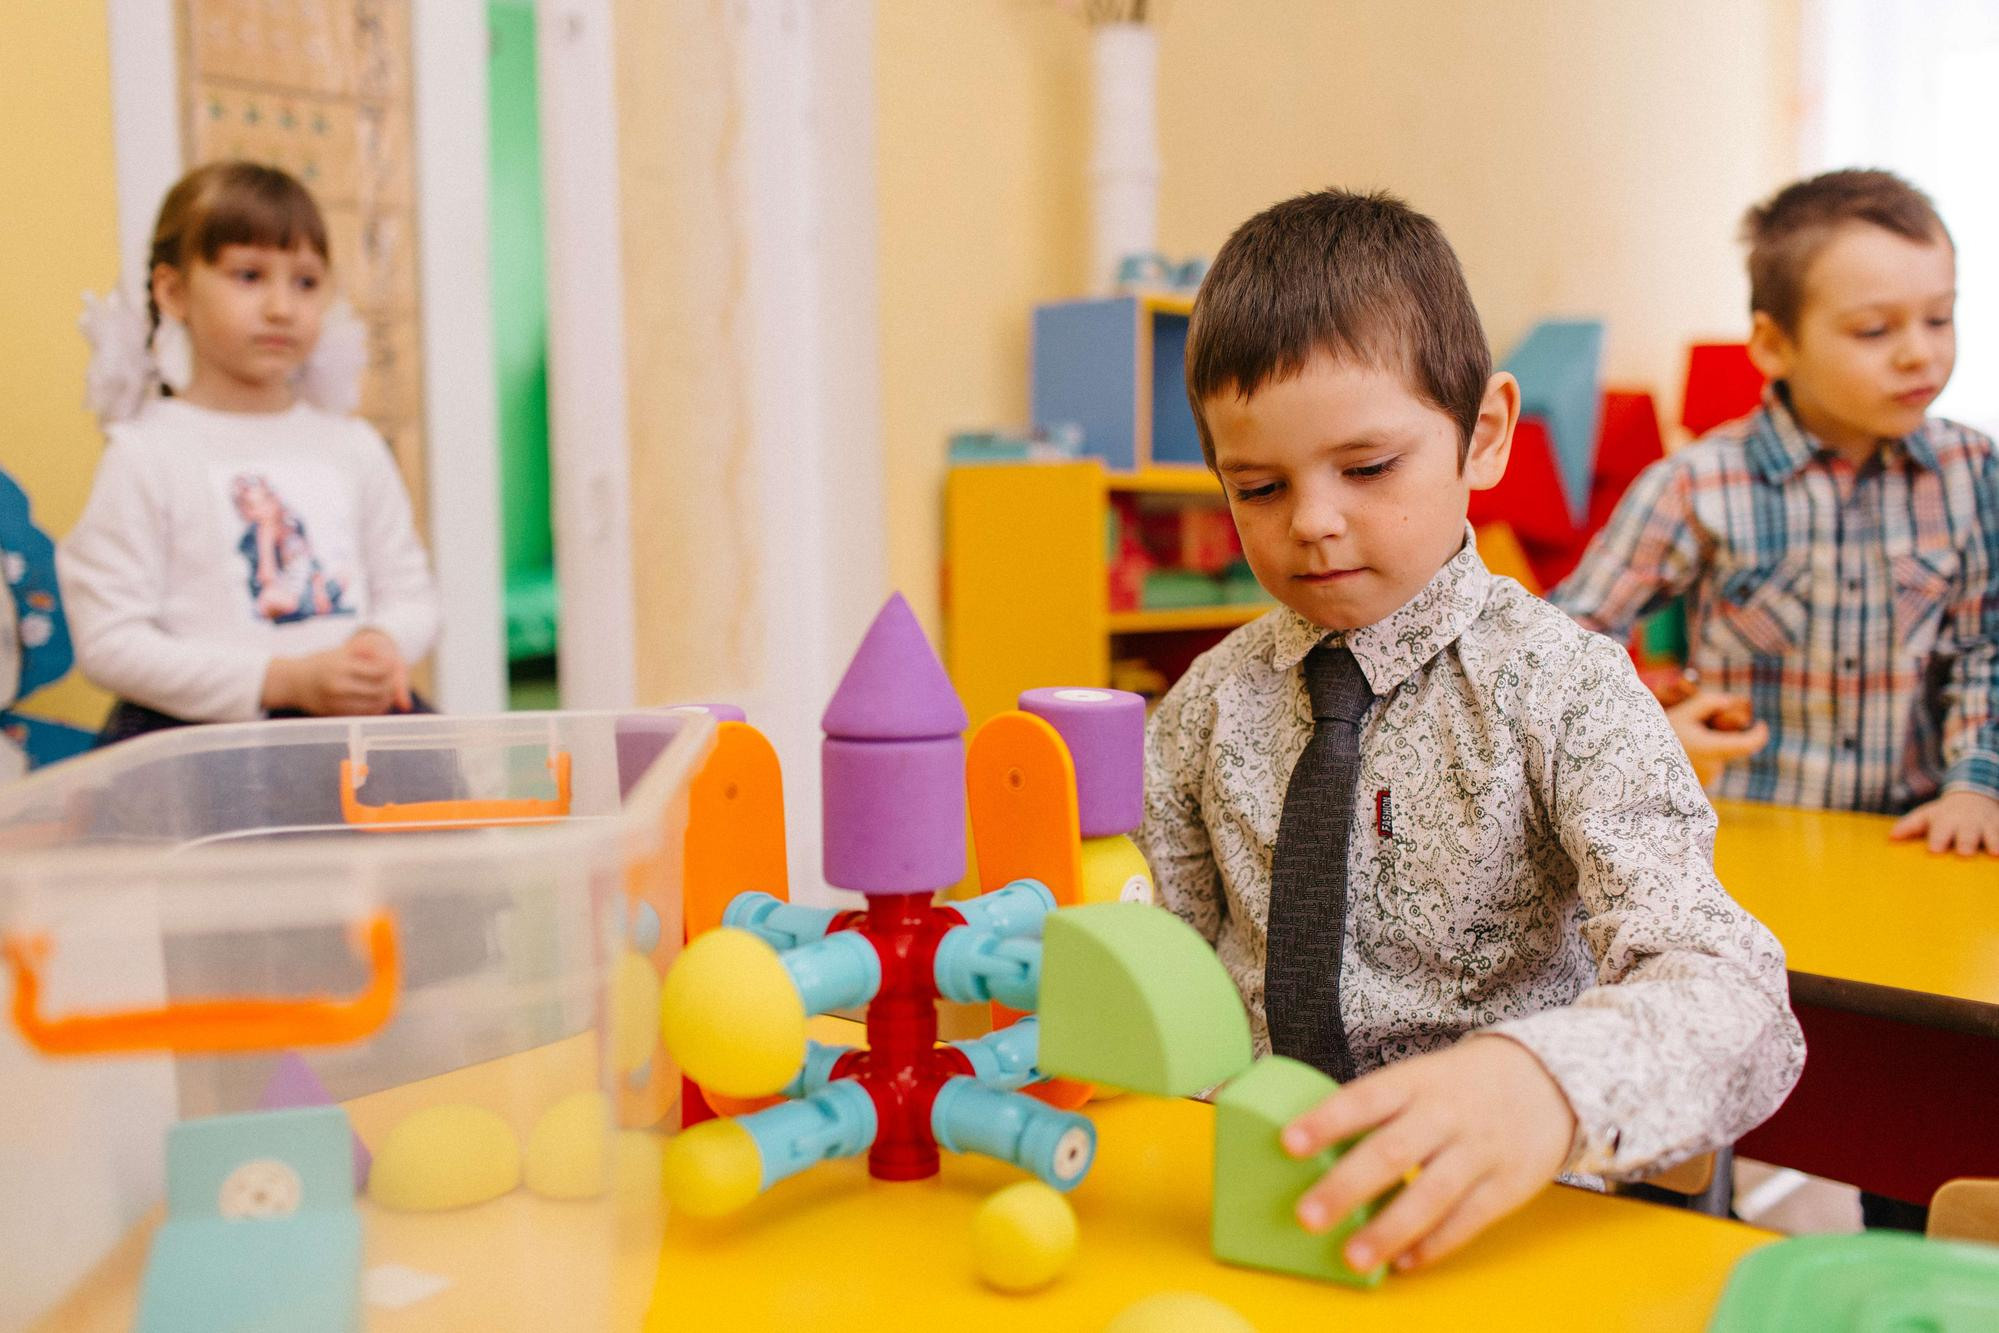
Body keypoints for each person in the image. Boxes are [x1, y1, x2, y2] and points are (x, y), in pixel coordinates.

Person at [1139, 188, 1803, 1274]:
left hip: (1498, 1227)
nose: (1311, 519)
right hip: (1252, 1216)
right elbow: (1168, 960)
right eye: (1256, 486)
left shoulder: (1563, 690)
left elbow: (1738, 996)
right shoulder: (1207, 706)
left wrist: (1544, 1080)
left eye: (1366, 469)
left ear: (1481, 435)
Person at [1553, 169, 1999, 859]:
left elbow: (1983, 649)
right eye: (1875, 329)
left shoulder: (1971, 471)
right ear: (1772, 344)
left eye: (1939, 318)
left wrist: (1975, 783)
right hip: (1743, 840)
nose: (1921, 352)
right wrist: (1649, 735)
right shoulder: (1695, 484)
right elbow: (1561, 648)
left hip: (1914, 840)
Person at [61, 162, 438, 743]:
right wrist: (280, 680)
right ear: (173, 291)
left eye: (306, 282)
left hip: (355, 736)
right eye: (249, 275)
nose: (282, 307)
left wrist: (381, 642)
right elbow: (110, 641)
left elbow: (410, 592)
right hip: (199, 747)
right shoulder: (146, 455)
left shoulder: (353, 447)